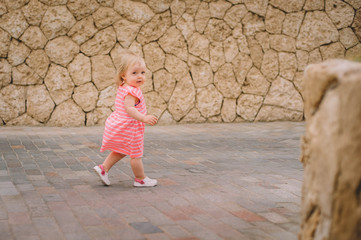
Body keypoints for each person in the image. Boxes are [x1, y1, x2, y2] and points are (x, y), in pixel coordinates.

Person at [94, 50, 158, 187]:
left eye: (142, 72)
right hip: (131, 128)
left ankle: (103, 168)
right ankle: (140, 179)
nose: (139, 76)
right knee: (136, 154)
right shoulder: (131, 91)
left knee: (121, 150)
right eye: (134, 73)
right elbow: (130, 109)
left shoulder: (124, 86)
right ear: (124, 75)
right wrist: (144, 118)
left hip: (124, 125)